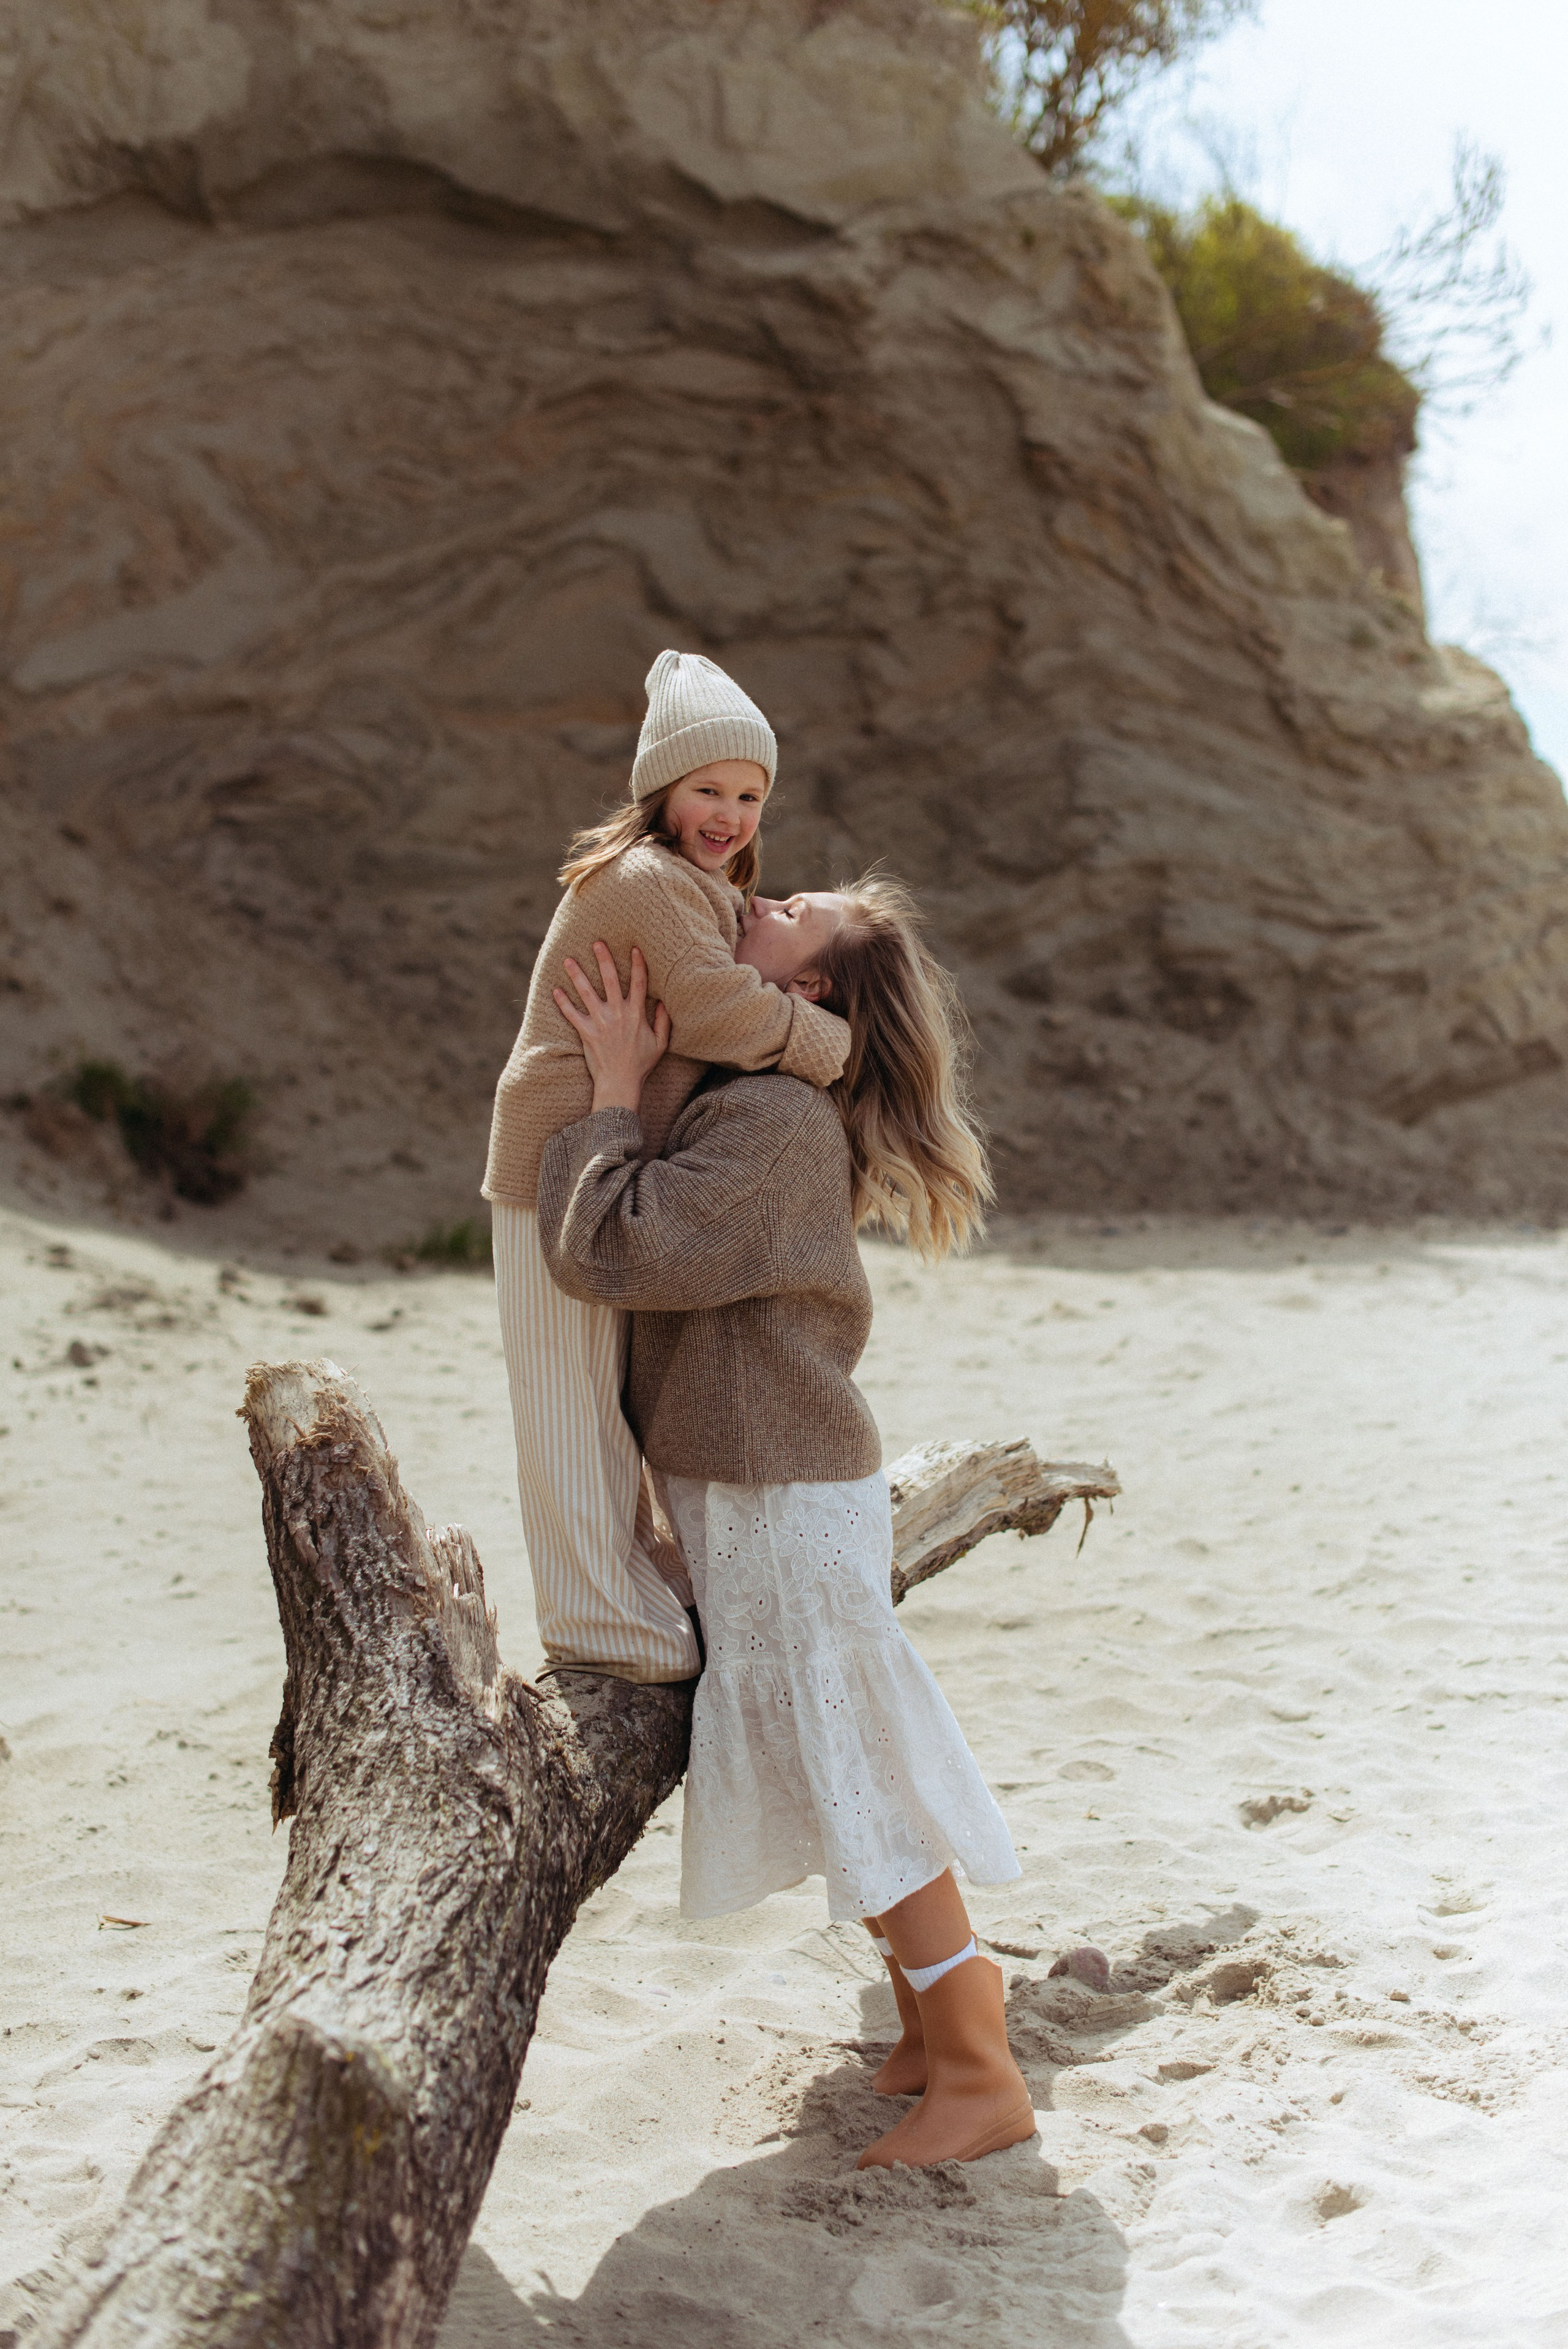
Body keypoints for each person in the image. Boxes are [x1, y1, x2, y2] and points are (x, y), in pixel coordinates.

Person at [536, 879, 1037, 2171]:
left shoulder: (772, 1119)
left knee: (854, 1756)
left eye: (791, 911)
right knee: (838, 1757)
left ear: (804, 988)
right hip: (763, 1482)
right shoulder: (763, 1102)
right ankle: (933, 2028)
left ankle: (980, 2071)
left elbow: (613, 1252)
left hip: (778, 1488)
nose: (756, 898)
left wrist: (608, 1091)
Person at [482, 650, 850, 1686]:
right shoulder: (647, 881)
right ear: (660, 791)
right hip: (552, 1164)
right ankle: (599, 1626)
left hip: (607, 1164)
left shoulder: (705, 888)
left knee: (609, 1406)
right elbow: (720, 1011)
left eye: (749, 795)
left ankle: (641, 1598)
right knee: (565, 1402)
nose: (729, 815)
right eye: (707, 790)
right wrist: (837, 1046)